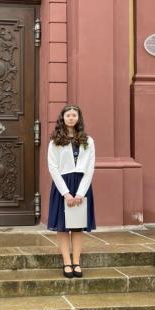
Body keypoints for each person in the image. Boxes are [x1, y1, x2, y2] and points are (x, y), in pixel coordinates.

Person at [47, 105, 96, 278]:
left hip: (81, 186)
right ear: (63, 118)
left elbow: (90, 167)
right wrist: (66, 193)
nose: (71, 118)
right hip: (63, 187)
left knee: (77, 226)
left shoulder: (87, 140)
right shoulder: (55, 141)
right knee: (63, 227)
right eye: (68, 115)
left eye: (74, 115)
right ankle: (66, 263)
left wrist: (81, 193)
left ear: (78, 118)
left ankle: (76, 262)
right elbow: (53, 168)